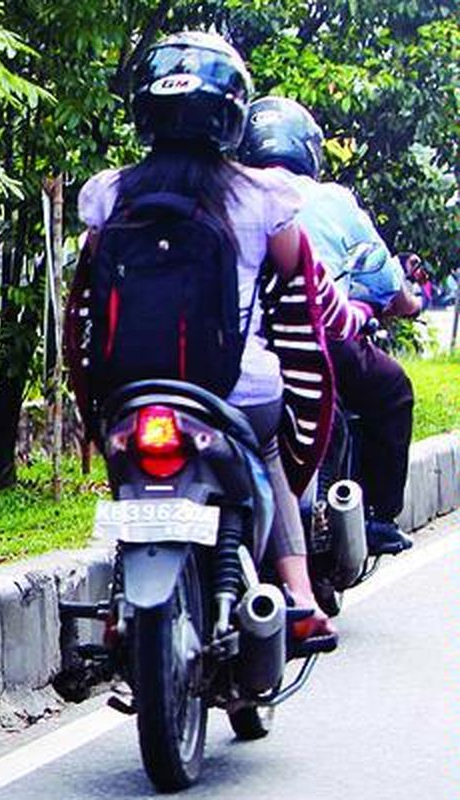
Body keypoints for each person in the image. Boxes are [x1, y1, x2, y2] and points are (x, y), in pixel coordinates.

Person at [68, 32, 337, 637]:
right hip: (236, 394)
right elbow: (298, 284)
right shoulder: (262, 195)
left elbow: (84, 300)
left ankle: (120, 607)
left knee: (129, 468)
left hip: (129, 393)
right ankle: (297, 595)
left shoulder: (109, 193)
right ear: (231, 115)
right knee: (269, 456)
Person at [238, 96, 415, 554]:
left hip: (238, 343)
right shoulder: (329, 200)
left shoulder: (226, 192)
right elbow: (382, 285)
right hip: (313, 338)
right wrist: (404, 303)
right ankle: (377, 517)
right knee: (393, 390)